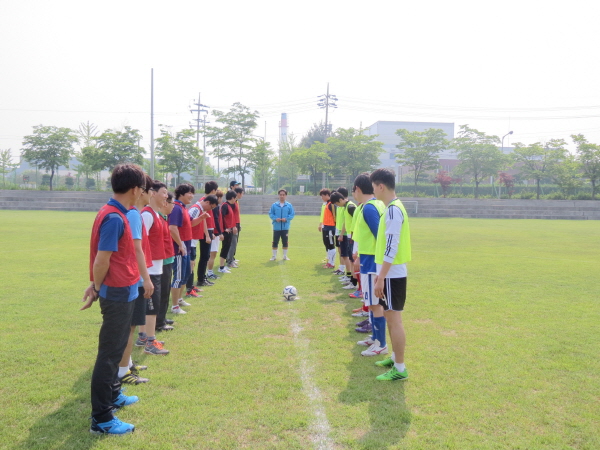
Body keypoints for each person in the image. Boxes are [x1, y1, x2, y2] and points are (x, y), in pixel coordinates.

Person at [81, 163, 147, 435]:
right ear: (134, 189)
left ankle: (114, 395)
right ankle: (102, 418)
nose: (142, 193)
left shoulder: (117, 213)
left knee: (118, 348)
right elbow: (102, 259)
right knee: (109, 356)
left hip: (125, 290)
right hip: (117, 293)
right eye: (142, 188)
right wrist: (95, 287)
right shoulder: (114, 218)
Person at [370, 168, 411, 381]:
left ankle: (400, 368)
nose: (373, 192)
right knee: (389, 316)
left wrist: (381, 277)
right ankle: (395, 358)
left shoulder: (394, 210)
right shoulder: (390, 208)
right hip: (389, 273)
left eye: (374, 188)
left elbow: (391, 246)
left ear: (381, 186)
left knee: (395, 320)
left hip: (393, 275)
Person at [351, 173, 386, 351]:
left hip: (372, 262)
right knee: (372, 303)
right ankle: (375, 338)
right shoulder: (374, 205)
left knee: (375, 304)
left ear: (357, 189)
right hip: (368, 260)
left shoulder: (369, 208)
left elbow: (379, 235)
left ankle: (381, 344)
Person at [169, 184, 206, 314]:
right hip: (179, 249)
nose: (192, 195)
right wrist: (180, 244)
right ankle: (174, 306)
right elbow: (172, 228)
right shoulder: (176, 209)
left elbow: (190, 223)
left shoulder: (184, 208)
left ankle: (179, 299)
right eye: (189, 193)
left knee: (185, 275)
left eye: (192, 193)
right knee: (178, 277)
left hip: (186, 247)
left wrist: (201, 218)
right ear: (181, 194)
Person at [189, 193, 219, 286]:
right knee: (190, 265)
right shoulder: (195, 209)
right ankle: (190, 287)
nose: (211, 210)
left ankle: (192, 286)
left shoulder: (200, 209)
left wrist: (207, 235)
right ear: (207, 202)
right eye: (211, 207)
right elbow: (188, 224)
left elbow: (202, 221)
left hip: (193, 241)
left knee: (192, 264)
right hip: (189, 242)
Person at [268, 189, 295, 260]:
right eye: (280, 195)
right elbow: (271, 213)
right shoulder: (274, 205)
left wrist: (286, 219)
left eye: (283, 195)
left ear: (286, 196)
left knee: (285, 242)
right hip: (276, 227)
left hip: (285, 227)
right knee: (275, 241)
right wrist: (275, 218)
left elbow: (292, 214)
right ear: (278, 195)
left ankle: (285, 256)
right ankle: (274, 256)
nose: (282, 196)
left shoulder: (289, 205)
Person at [206, 189, 224, 280]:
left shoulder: (214, 207)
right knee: (212, 254)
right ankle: (209, 272)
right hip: (215, 233)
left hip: (213, 232)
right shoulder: (215, 207)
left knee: (211, 254)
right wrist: (219, 233)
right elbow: (215, 220)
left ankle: (209, 272)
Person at [218, 190, 238, 273]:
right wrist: (224, 228)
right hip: (226, 231)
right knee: (225, 248)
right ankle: (221, 267)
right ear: (232, 198)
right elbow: (221, 217)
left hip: (229, 231)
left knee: (226, 248)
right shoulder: (225, 206)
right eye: (235, 197)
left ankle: (222, 266)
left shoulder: (229, 206)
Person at [226, 186, 244, 268]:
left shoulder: (236, 202)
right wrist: (233, 226)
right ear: (238, 193)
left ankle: (231, 258)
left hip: (236, 224)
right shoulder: (232, 203)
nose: (242, 195)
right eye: (242, 193)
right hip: (233, 225)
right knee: (233, 243)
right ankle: (229, 260)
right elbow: (231, 216)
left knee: (234, 242)